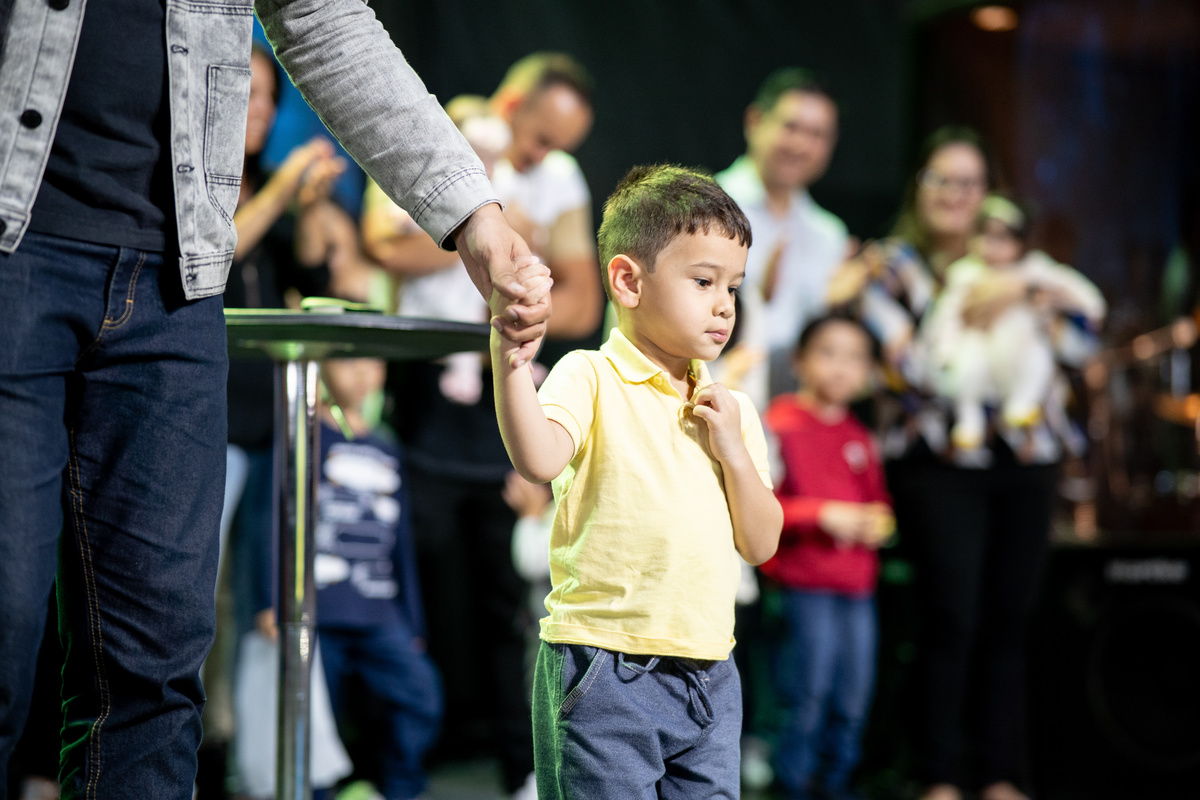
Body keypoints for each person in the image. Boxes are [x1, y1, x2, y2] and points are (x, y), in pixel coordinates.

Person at [0, 2, 546, 796]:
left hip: (178, 280)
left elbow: (325, 23)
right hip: (16, 246)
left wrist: (474, 216)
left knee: (154, 669)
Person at [491, 164, 783, 798]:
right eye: (703, 281)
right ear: (628, 280)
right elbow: (538, 458)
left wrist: (732, 449)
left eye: (733, 286)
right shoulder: (589, 375)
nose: (723, 304)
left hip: (710, 670)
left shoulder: (731, 410)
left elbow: (761, 544)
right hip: (604, 665)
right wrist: (510, 362)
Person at [829, 127, 1101, 800]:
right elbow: (907, 370)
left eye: (969, 183)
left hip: (1027, 455)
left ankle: (1001, 772)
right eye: (941, 180)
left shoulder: (1029, 272)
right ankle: (940, 773)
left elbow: (1081, 344)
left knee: (1013, 618)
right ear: (919, 189)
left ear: (991, 197)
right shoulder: (892, 266)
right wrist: (962, 307)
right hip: (938, 461)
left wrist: (1024, 296)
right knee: (952, 614)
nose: (956, 195)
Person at [359, 54, 600, 799]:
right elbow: (380, 244)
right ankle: (395, 770)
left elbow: (584, 306)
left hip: (504, 390)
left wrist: (493, 251)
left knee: (511, 603)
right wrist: (493, 231)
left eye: (560, 146)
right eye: (538, 137)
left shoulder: (559, 180)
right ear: (512, 102)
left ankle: (523, 770)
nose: (542, 157)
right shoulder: (440, 132)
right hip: (423, 387)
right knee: (405, 590)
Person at [759, 313, 893, 800]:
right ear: (800, 361)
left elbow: (879, 503)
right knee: (806, 695)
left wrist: (878, 522)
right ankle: (791, 785)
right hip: (804, 583)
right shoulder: (780, 423)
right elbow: (761, 507)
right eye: (828, 352)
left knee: (853, 697)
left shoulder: (859, 436)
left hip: (857, 586)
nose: (841, 367)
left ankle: (837, 784)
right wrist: (823, 515)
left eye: (855, 357)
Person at [918, 195, 1106, 453]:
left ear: (1021, 241)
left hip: (1031, 434)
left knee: (1034, 357)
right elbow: (943, 322)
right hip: (977, 369)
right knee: (967, 368)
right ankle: (969, 420)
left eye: (1002, 236)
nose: (991, 245)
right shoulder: (964, 273)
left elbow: (1088, 308)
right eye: (984, 234)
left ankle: (1022, 406)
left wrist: (1029, 292)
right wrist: (946, 351)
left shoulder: (1034, 270)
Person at [715, 67, 848, 408]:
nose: (803, 145)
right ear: (755, 121)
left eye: (818, 134)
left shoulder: (829, 234)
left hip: (796, 421)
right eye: (791, 127)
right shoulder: (704, 208)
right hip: (712, 401)